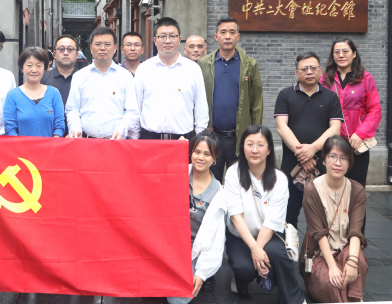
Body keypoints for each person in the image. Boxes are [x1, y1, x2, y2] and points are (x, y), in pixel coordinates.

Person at [224, 125, 305, 304]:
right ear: (242, 147)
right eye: (250, 144)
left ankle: (294, 299)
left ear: (269, 150)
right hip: (240, 235)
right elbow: (236, 216)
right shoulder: (233, 173)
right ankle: (241, 279)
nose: (255, 150)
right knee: (244, 268)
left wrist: (257, 250)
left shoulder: (279, 179)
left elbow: (272, 221)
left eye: (260, 145)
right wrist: (255, 249)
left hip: (269, 234)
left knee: (277, 254)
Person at [275, 52, 343, 228]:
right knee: (288, 213)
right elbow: (281, 127)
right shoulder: (285, 95)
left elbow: (335, 129)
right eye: (304, 69)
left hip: (323, 164)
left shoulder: (331, 97)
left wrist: (312, 149)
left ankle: (317, 247)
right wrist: (303, 155)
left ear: (320, 71)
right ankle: (289, 245)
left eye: (313, 68)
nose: (309, 72)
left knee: (323, 215)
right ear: (297, 73)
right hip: (292, 164)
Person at [300, 135, 368, 303]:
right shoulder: (312, 189)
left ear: (350, 163)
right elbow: (318, 233)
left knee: (358, 262)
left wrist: (352, 262)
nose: (338, 163)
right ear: (324, 160)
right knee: (331, 283)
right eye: (333, 156)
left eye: (344, 158)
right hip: (319, 254)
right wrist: (332, 266)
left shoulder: (357, 190)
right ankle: (351, 300)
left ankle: (352, 299)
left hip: (345, 249)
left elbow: (356, 231)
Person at [198, 16, 263, 182]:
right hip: (212, 136)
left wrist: (255, 134)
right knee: (211, 182)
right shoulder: (204, 64)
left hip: (239, 138)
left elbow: (256, 102)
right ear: (216, 36)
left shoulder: (249, 65)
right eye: (223, 32)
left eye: (232, 32)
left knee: (240, 182)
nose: (227, 36)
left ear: (238, 36)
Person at [167, 131, 226, 304]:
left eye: (207, 154)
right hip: (168, 242)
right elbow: (150, 168)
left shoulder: (218, 192)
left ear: (215, 158)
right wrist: (172, 150)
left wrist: (202, 273)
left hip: (192, 249)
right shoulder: (178, 171)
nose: (200, 158)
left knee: (177, 300)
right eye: (197, 152)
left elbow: (215, 238)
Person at [132, 17, 209, 148]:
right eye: (162, 36)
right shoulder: (144, 69)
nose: (167, 40)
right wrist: (135, 139)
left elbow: (201, 107)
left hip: (183, 140)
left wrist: (199, 139)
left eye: (172, 36)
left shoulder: (193, 69)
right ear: (155, 40)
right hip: (149, 140)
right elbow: (135, 106)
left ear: (179, 39)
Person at [319, 37, 382, 188]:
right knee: (330, 189)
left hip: (356, 145)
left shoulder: (365, 79)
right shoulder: (324, 80)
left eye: (345, 51)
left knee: (355, 189)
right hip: (330, 144)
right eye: (337, 52)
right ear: (333, 56)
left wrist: (360, 134)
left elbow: (374, 111)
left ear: (354, 54)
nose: (341, 55)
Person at [66, 27, 138, 140]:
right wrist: (75, 128)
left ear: (115, 48)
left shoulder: (126, 76)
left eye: (107, 44)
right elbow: (72, 110)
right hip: (86, 141)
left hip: (116, 141)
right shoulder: (79, 76)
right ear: (91, 48)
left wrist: (121, 129)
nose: (102, 48)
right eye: (98, 44)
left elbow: (132, 111)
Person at [4, 47, 65, 137]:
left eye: (39, 65)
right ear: (22, 68)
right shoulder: (12, 95)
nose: (34, 70)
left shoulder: (54, 93)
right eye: (29, 65)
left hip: (51, 145)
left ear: (44, 68)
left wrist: (55, 141)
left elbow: (59, 125)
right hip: (20, 146)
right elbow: (10, 128)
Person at [41, 35, 79, 136]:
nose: (66, 53)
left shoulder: (84, 79)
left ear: (77, 54)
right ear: (54, 54)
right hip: (48, 136)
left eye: (70, 49)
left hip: (77, 137)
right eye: (61, 49)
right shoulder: (42, 78)